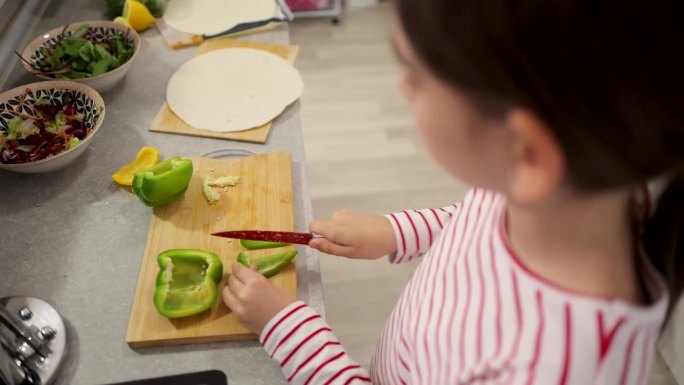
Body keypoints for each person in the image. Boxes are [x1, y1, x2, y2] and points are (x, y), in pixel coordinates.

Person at [222, 0, 683, 383]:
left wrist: (288, 328)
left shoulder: (538, 370)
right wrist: (396, 232)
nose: (402, 87)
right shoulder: (573, 184)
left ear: (526, 152)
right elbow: (473, 220)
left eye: (415, 74)